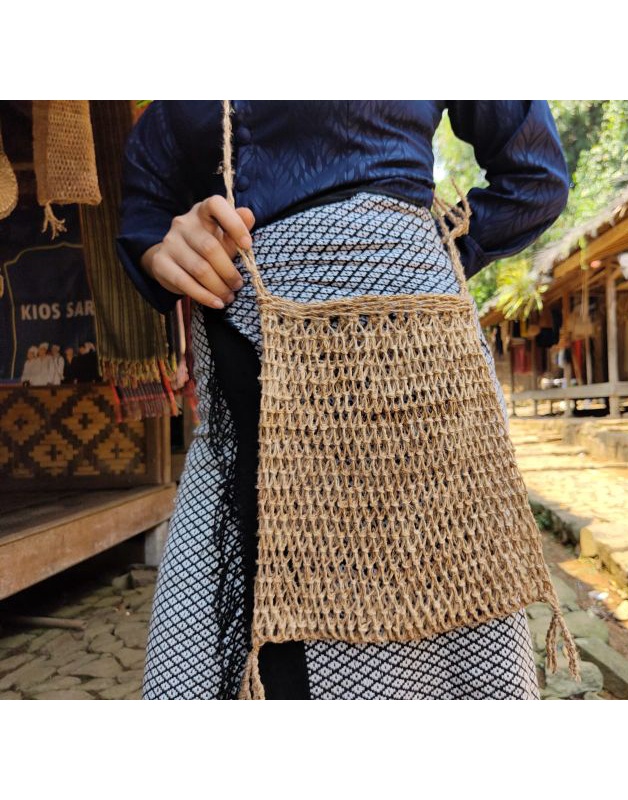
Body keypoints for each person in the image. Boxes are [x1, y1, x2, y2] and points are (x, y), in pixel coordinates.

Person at [117, 101, 570, 700]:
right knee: (270, 639)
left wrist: (412, 252)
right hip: (251, 366)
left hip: (416, 379)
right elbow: (145, 202)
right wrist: (161, 248)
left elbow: (535, 177)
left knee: (442, 604)